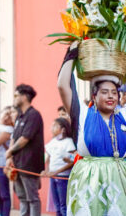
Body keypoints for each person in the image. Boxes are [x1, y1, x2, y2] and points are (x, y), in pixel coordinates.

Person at [58, 42, 126, 215]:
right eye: (104, 92)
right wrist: (71, 54)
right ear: (94, 97)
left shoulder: (123, 116)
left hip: (120, 183)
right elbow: (62, 86)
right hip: (89, 184)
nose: (110, 96)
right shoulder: (82, 114)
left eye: (114, 92)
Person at [5, 84, 44, 216]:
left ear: (24, 97)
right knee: (22, 197)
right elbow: (14, 137)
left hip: (29, 164)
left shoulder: (34, 115)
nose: (14, 98)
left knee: (32, 198)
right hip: (17, 163)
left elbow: (25, 138)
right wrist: (10, 158)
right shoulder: (20, 116)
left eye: (16, 95)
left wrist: (9, 151)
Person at [41, 118, 75, 216]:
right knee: (57, 206)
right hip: (53, 177)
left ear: (63, 129)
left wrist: (56, 172)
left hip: (63, 177)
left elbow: (73, 161)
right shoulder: (53, 142)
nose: (52, 128)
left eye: (55, 126)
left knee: (63, 205)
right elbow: (49, 157)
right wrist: (46, 170)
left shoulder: (68, 142)